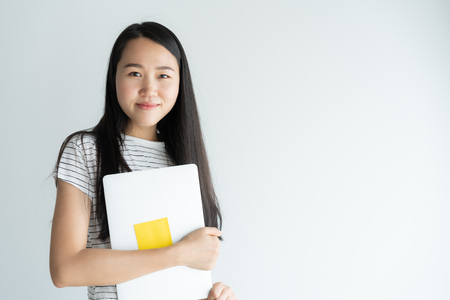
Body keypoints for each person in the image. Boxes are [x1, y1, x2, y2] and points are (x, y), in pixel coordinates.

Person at [50, 22, 236, 300]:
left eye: (163, 75)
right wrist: (179, 253)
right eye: (135, 73)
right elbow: (65, 270)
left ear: (179, 83)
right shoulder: (86, 150)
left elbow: (175, 278)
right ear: (114, 77)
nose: (149, 89)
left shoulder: (185, 160)